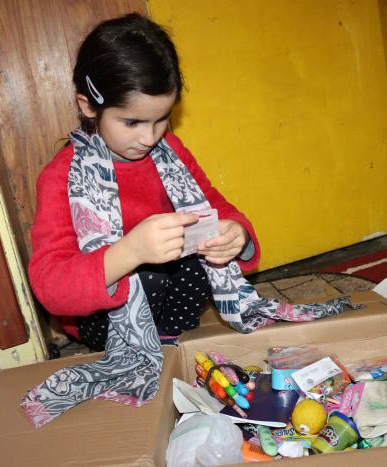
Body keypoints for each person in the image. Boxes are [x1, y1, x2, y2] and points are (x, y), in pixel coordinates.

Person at [28, 13, 260, 351]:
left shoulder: (171, 152)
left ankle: (169, 340)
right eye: (132, 122)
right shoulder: (61, 176)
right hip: (104, 319)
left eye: (161, 119)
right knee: (146, 272)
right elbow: (51, 287)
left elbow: (215, 206)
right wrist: (130, 252)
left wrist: (236, 234)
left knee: (199, 250)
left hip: (171, 306)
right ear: (88, 106)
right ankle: (145, 347)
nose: (149, 138)